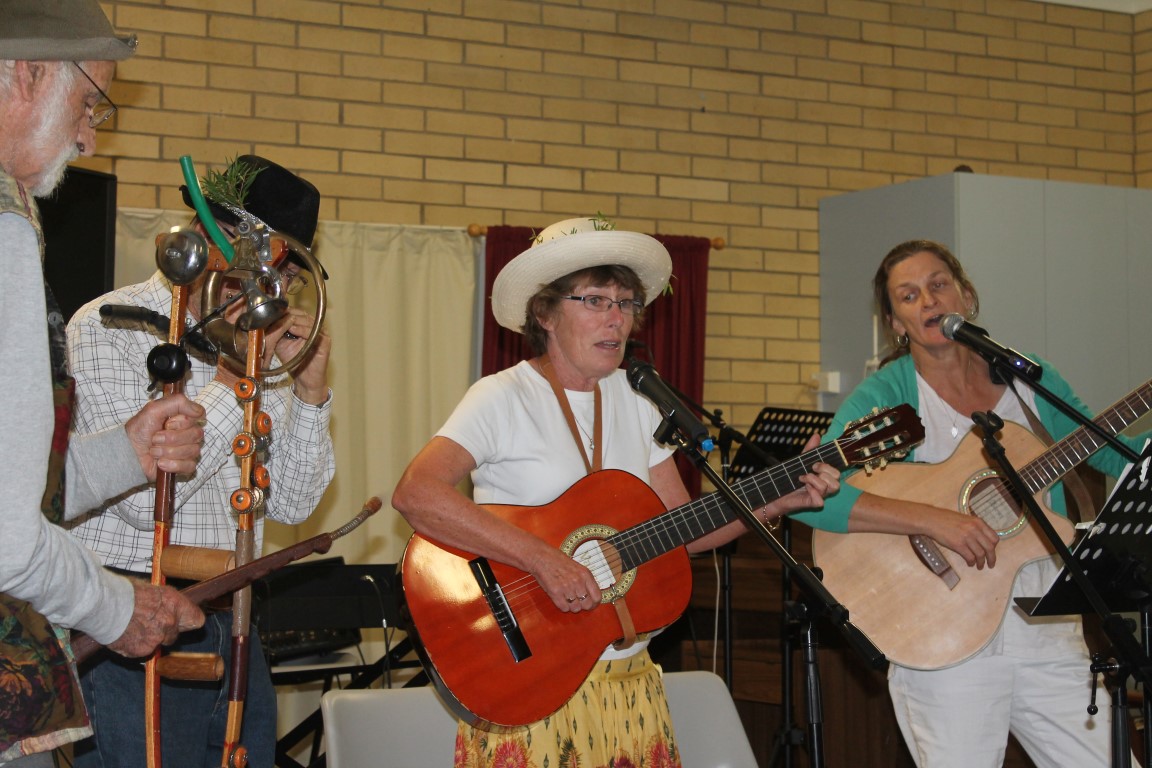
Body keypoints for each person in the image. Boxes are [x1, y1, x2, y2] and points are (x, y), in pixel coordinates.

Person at [391, 215, 840, 767]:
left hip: (628, 683)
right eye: (595, 300)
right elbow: (417, 494)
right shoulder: (502, 396)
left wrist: (775, 500)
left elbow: (683, 527)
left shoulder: (640, 404)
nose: (616, 319)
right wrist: (544, 560)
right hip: (530, 679)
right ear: (544, 314)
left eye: (625, 303)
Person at [793, 239, 1140, 768]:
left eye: (938, 285)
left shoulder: (1025, 379)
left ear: (966, 296)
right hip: (942, 631)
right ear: (896, 322)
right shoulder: (887, 394)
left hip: (1043, 625)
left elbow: (1117, 454)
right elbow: (811, 501)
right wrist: (937, 521)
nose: (929, 301)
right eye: (909, 296)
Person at [65, 155, 336, 768]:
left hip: (233, 624)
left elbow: (291, 502)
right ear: (214, 241)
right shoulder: (110, 327)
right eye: (266, 263)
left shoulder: (256, 340)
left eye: (288, 273)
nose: (276, 286)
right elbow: (138, 502)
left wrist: (309, 395)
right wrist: (231, 378)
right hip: (127, 630)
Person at [0, 2, 207, 765]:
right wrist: (117, 606)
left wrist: (126, 453)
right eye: (91, 103)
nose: (89, 136)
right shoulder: (3, 234)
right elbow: (6, 536)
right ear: (26, 73)